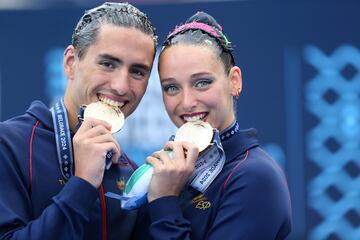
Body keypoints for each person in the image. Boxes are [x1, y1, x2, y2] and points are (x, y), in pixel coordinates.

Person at [0, 2, 157, 239]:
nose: (121, 86)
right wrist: (82, 184)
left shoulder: (129, 173)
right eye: (107, 64)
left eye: (137, 71)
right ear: (71, 62)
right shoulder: (8, 145)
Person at [135, 11, 292, 239]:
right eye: (172, 87)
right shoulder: (170, 171)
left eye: (202, 83)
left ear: (234, 81)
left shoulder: (256, 178)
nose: (187, 102)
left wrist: (165, 202)